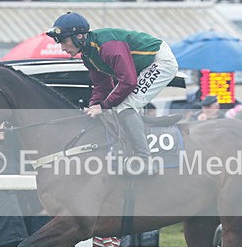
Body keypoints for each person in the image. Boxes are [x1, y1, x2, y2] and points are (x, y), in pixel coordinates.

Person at [46, 12, 179, 175]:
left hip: (160, 61)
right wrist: (93, 105)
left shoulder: (108, 47)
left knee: (124, 105)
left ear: (79, 36)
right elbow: (102, 85)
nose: (63, 48)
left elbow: (129, 82)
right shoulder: (88, 55)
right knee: (118, 105)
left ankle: (145, 160)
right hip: (142, 66)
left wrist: (103, 105)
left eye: (64, 42)